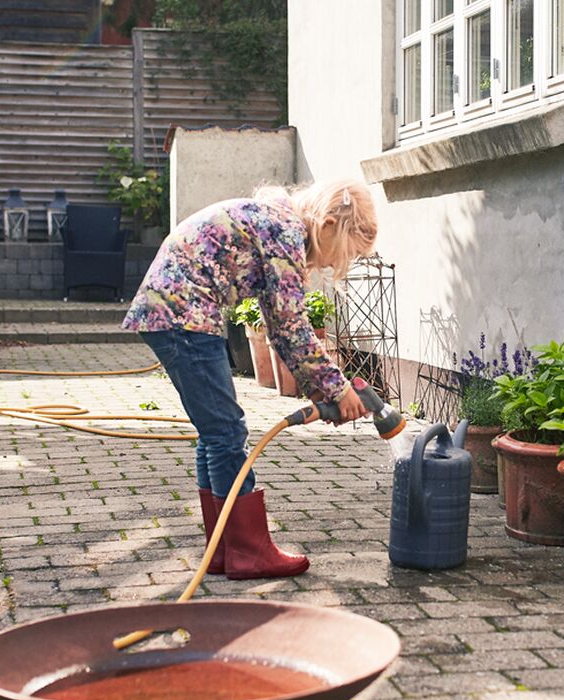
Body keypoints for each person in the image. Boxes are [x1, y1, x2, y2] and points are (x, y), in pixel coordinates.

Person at [122, 180, 378, 579]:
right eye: (339, 255)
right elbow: (291, 329)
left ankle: (224, 548)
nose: (330, 266)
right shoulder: (286, 233)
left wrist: (321, 386)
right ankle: (248, 551)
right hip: (183, 314)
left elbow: (280, 325)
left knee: (214, 432)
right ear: (327, 225)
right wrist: (338, 389)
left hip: (172, 309)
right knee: (225, 431)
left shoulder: (275, 220)